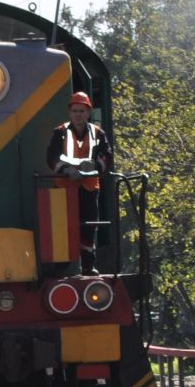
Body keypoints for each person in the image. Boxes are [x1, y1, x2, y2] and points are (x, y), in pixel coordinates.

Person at [44, 91, 113, 271]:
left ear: (88, 113)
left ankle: (88, 266)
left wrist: (94, 168)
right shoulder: (59, 133)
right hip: (64, 187)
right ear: (70, 112)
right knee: (63, 227)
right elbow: (51, 156)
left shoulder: (98, 134)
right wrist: (66, 170)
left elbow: (107, 156)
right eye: (75, 111)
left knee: (89, 227)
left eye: (82, 111)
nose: (78, 114)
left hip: (89, 187)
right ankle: (60, 267)